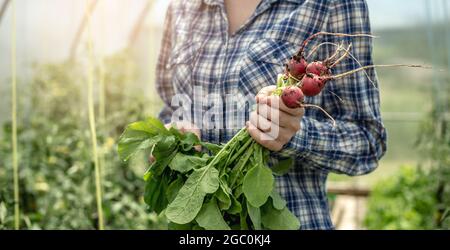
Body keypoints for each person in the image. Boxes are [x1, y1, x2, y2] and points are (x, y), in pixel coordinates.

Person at [155, 0, 387, 230]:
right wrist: (171, 138)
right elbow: (169, 108)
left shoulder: (332, 3)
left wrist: (296, 134)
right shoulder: (181, 7)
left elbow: (368, 142)